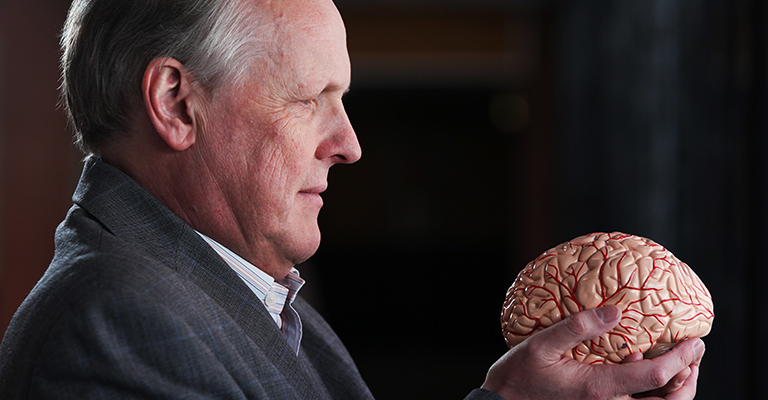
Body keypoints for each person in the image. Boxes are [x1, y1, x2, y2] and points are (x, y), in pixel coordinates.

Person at [0, 0, 705, 398]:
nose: (349, 144)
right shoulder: (109, 327)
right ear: (177, 104)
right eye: (312, 100)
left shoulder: (246, 290)